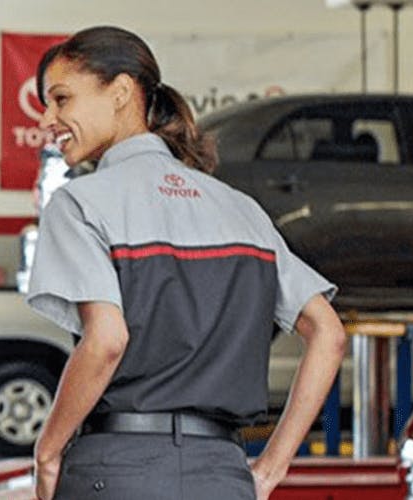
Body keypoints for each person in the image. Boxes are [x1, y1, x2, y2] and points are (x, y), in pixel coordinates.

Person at [21, 26, 349, 500]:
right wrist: (270, 470)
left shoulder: (80, 204)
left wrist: (48, 451)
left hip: (115, 471)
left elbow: (107, 341)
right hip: (222, 474)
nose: (48, 118)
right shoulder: (242, 209)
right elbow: (329, 333)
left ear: (120, 93)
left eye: (61, 99)